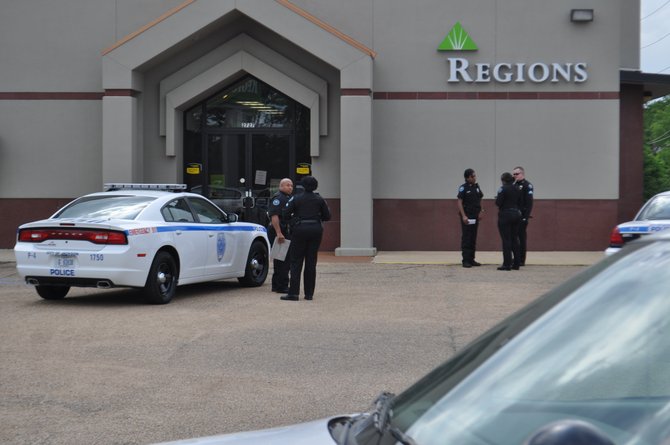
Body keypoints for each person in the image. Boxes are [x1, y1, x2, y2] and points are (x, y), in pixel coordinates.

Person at [280, 176, 331, 301]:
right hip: (315, 229)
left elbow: (285, 214)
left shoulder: (296, 198)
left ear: (302, 186)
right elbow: (327, 216)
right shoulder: (320, 199)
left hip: (300, 230)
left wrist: (294, 221)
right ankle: (309, 294)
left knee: (296, 261)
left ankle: (293, 293)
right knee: (311, 261)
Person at [267, 178, 293, 293]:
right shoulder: (278, 198)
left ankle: (277, 285)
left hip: (283, 231)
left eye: (291, 185)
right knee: (282, 260)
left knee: (282, 259)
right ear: (281, 186)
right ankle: (281, 286)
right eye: (288, 185)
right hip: (279, 232)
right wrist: (278, 233)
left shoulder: (287, 198)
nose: (290, 187)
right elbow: (274, 216)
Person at [457, 168, 484, 268]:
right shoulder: (463, 188)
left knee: (473, 237)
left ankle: (472, 259)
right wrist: (463, 215)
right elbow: (459, 202)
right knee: (466, 238)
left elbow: (480, 198)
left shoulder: (476, 187)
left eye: (475, 176)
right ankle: (465, 260)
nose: (474, 178)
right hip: (467, 216)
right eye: (472, 176)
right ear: (467, 177)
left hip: (475, 216)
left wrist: (481, 211)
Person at [495, 172, 522, 270]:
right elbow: (520, 201)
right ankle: (516, 264)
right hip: (516, 214)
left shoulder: (503, 188)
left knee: (506, 240)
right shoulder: (517, 188)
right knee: (515, 238)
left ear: (503, 180)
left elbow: (498, 203)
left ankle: (507, 264)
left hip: (505, 215)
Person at [513, 166, 534, 266]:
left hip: (522, 216)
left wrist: (526, 216)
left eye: (517, 174)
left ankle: (521, 259)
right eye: (514, 174)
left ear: (522, 174)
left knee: (521, 238)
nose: (515, 176)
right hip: (514, 215)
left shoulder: (527, 185)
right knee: (514, 238)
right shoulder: (513, 185)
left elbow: (529, 203)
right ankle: (515, 258)